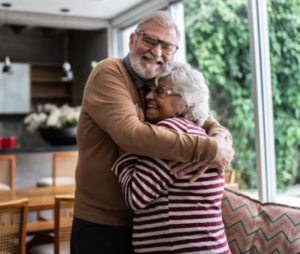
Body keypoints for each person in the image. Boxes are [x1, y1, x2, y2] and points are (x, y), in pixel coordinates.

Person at [71, 11, 234, 254]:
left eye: (167, 47)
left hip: (144, 224)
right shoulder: (110, 72)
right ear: (132, 41)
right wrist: (208, 149)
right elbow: (131, 135)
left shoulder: (161, 83)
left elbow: (203, 116)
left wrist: (221, 140)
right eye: (150, 40)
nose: (157, 52)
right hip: (102, 224)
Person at [112, 62, 230, 254]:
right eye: (150, 90)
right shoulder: (198, 133)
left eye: (160, 91)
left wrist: (125, 147)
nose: (148, 96)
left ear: (185, 102)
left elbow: (135, 196)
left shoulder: (172, 130)